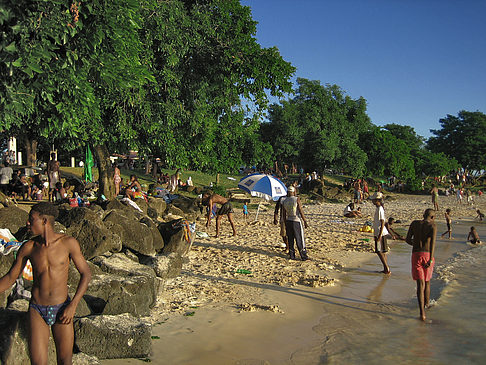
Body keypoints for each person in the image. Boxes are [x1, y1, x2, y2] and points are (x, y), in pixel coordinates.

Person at [0, 202, 91, 364]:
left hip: (62, 308)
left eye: (31, 219)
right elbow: (9, 279)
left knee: (65, 361)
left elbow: (86, 274)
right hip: (37, 310)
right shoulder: (28, 248)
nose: (27, 222)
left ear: (44, 221)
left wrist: (73, 305)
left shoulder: (68, 243)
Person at [405, 208, 437, 321]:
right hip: (428, 255)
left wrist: (415, 244)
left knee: (420, 284)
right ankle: (427, 304)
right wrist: (431, 260)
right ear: (432, 217)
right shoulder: (432, 226)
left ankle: (422, 313)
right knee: (427, 282)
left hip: (416, 254)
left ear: (423, 215)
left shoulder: (414, 223)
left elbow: (407, 240)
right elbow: (432, 244)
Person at [282, 186, 309, 260]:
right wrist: (305, 221)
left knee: (290, 239)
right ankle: (303, 255)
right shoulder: (296, 199)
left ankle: (292, 255)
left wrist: (284, 223)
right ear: (294, 192)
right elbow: (300, 210)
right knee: (299, 238)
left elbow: (283, 214)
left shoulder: (284, 200)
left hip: (288, 221)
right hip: (296, 220)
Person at [371, 192, 391, 274]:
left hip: (380, 232)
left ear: (377, 200)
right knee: (382, 251)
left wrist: (379, 235)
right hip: (378, 232)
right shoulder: (378, 208)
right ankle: (385, 268)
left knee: (379, 251)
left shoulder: (380, 209)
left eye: (373, 200)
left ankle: (386, 268)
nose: (372, 201)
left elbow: (382, 222)